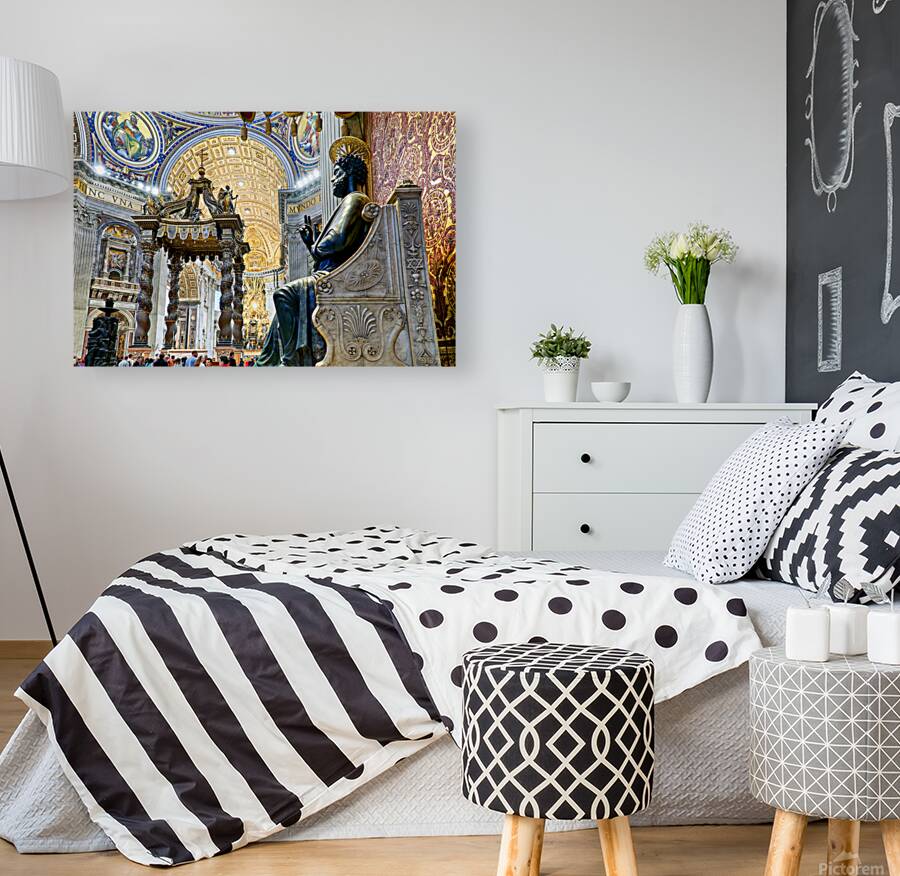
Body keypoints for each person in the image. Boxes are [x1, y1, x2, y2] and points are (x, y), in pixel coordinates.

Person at [255, 136, 375, 366]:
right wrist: (313, 244)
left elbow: (336, 242)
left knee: (282, 294)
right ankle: (268, 363)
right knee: (276, 323)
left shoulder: (355, 200)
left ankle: (291, 362)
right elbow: (327, 247)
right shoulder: (348, 202)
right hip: (330, 273)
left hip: (335, 276)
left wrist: (316, 244)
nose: (332, 178)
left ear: (350, 172)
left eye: (337, 173)